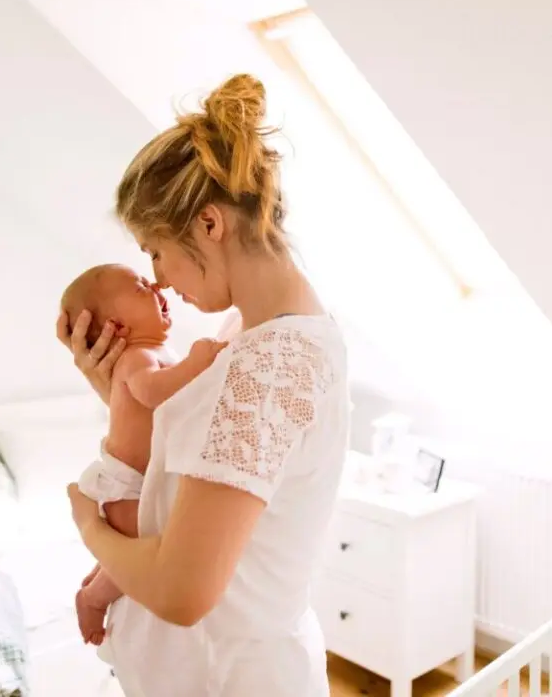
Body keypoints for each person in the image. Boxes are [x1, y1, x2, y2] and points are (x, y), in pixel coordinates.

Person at [57, 73, 350, 697]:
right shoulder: (251, 331)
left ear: (209, 225)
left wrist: (87, 523)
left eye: (155, 251)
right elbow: (182, 466)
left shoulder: (268, 367)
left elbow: (181, 592)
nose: (159, 280)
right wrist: (107, 385)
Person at [59, 263, 226, 651]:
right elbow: (153, 393)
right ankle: (95, 597)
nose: (154, 284)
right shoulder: (137, 358)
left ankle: (96, 579)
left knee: (131, 546)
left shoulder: (157, 350)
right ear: (116, 325)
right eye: (139, 287)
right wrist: (198, 362)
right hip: (127, 482)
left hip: (143, 479)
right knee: (141, 545)